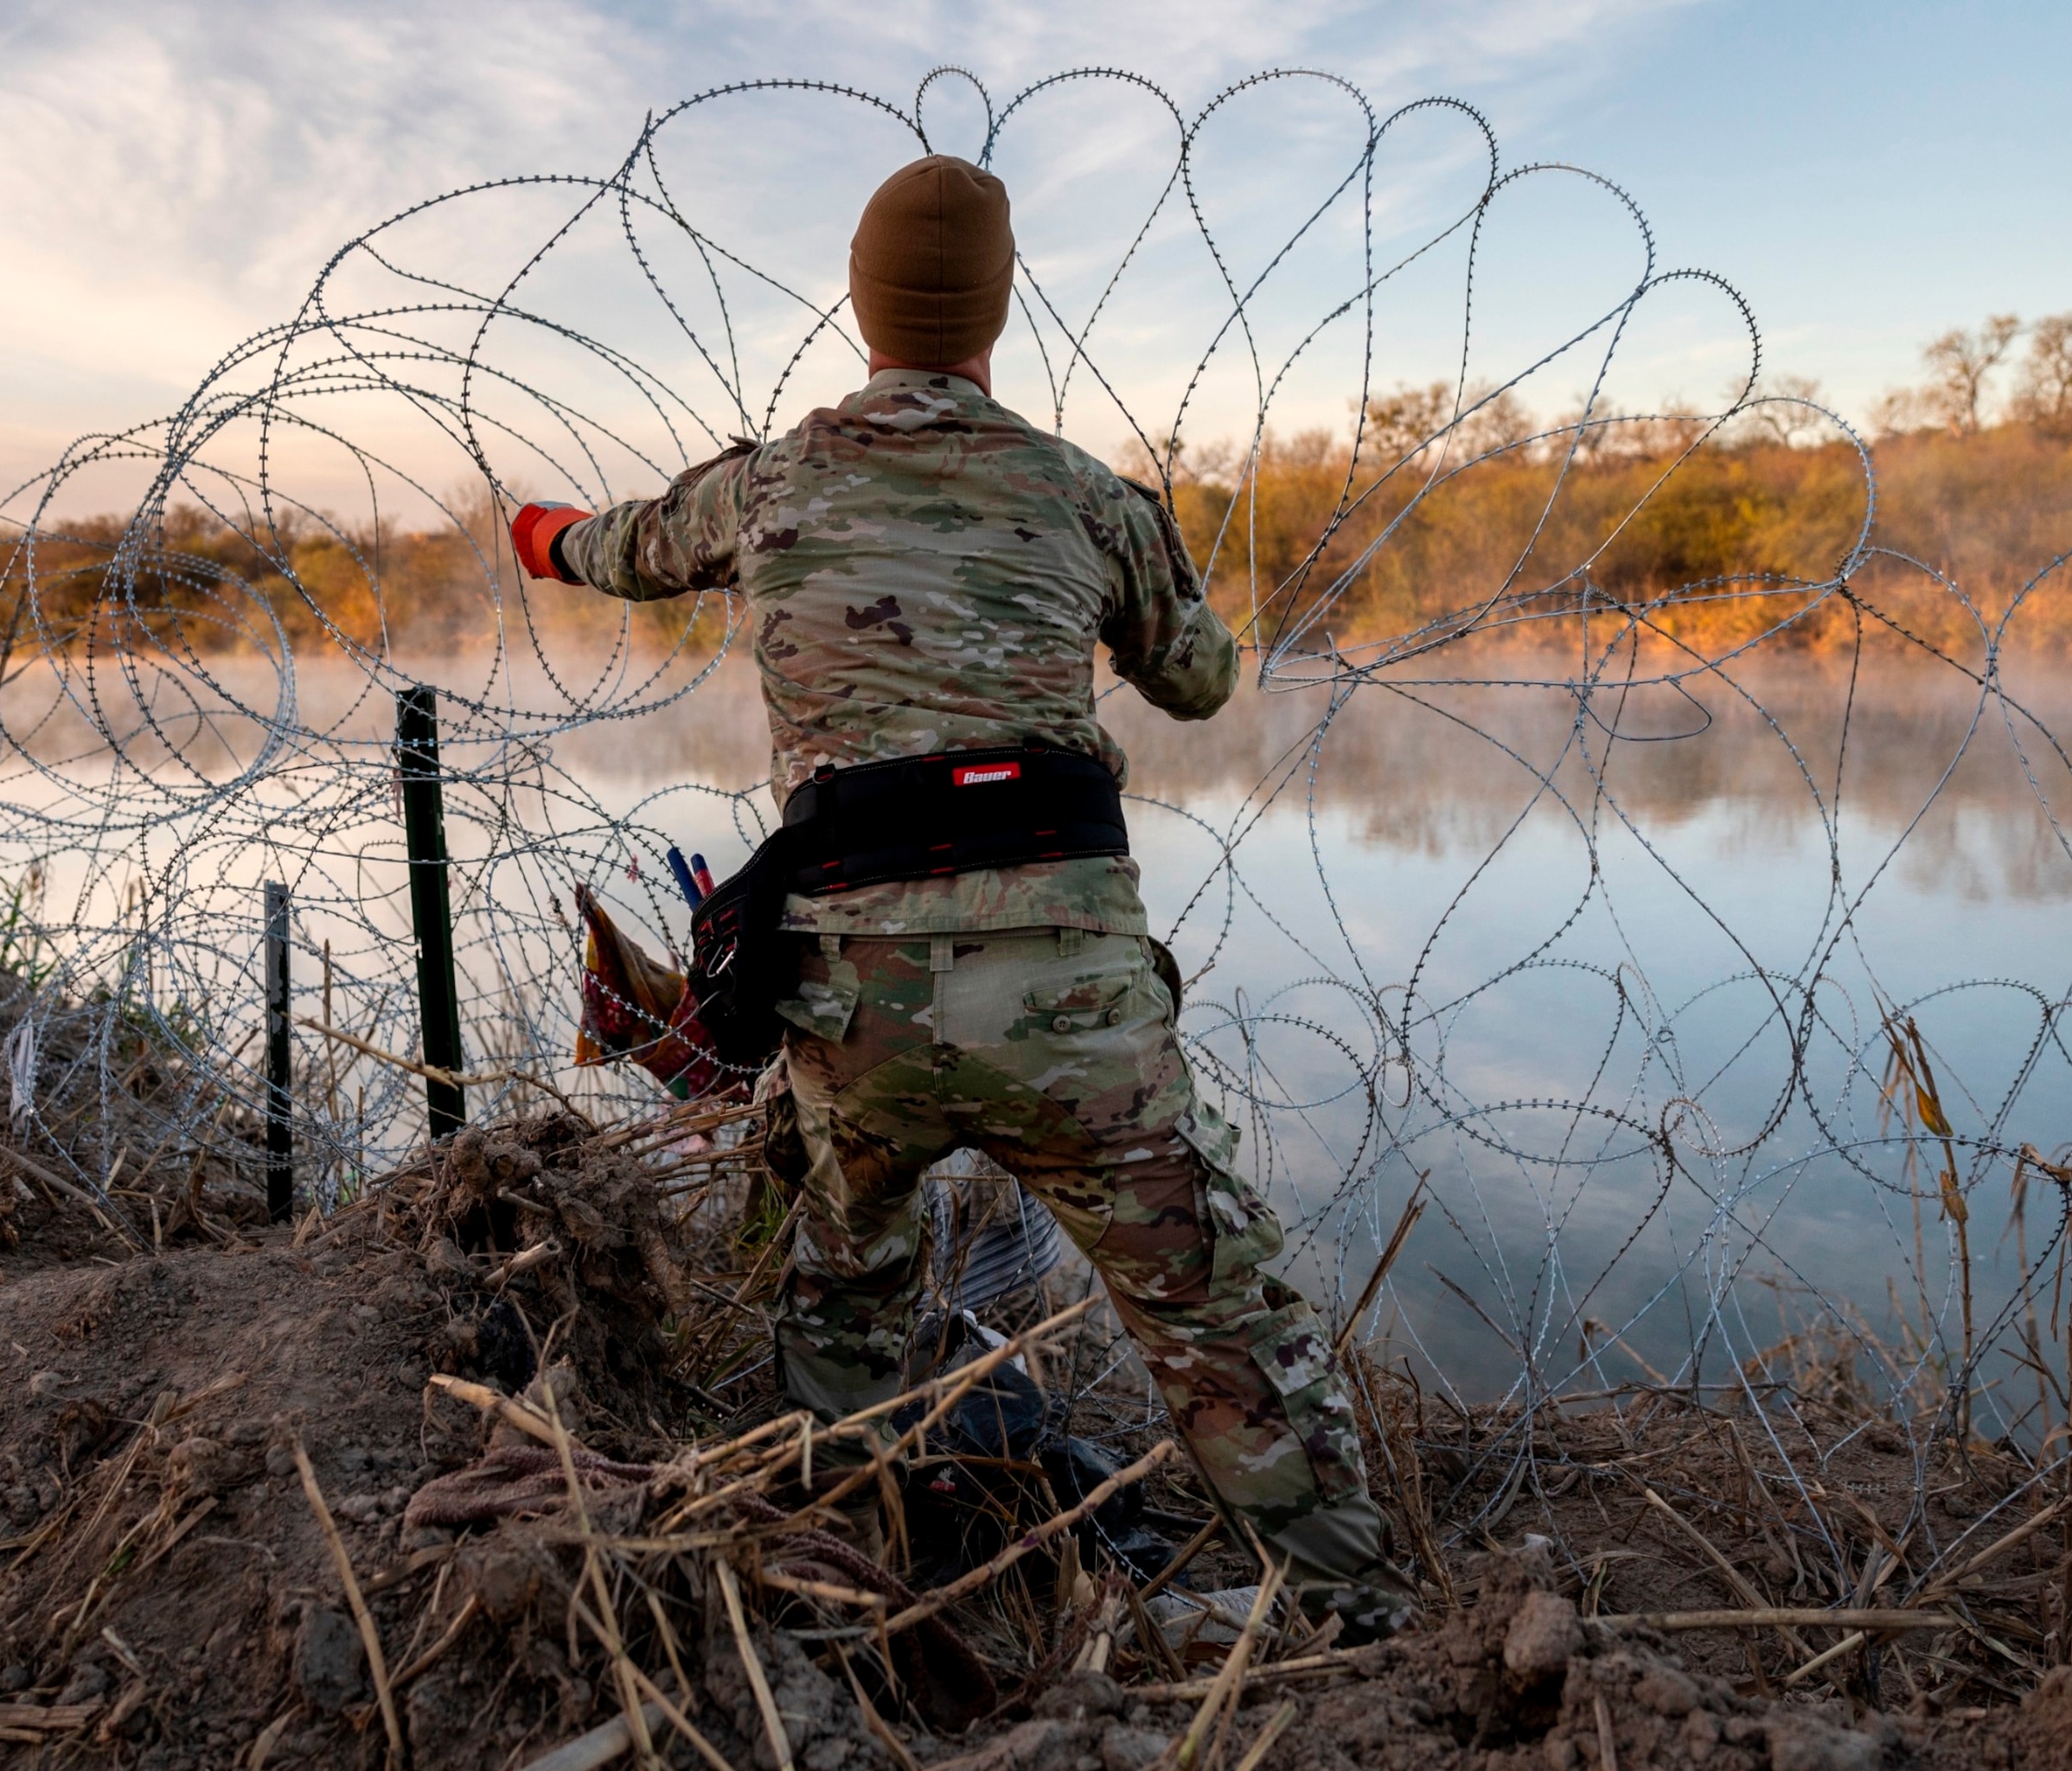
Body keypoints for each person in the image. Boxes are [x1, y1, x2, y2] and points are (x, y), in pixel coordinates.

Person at [509, 156, 1414, 1638]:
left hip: (855, 999)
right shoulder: (1082, 495)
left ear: (862, 307)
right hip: (1073, 1004)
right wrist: (1149, 565)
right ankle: (1363, 1622)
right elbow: (1197, 682)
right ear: (994, 314)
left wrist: (533, 532)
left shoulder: (770, 483)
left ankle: (840, 1598)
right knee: (1209, 1310)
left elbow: (610, 550)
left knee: (845, 1289)